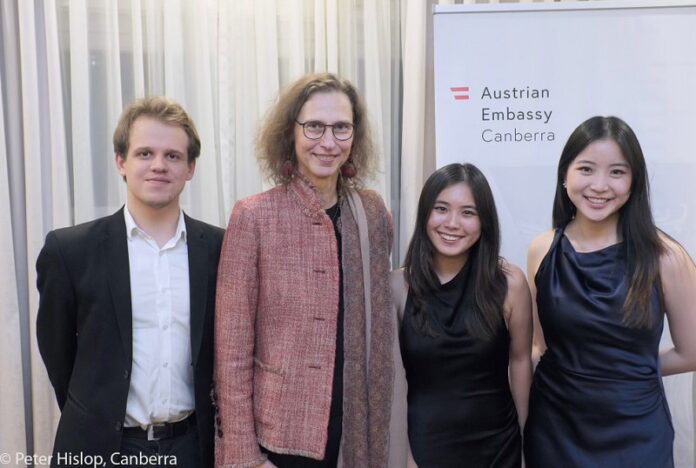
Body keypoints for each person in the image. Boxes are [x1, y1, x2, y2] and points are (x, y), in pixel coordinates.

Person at [213, 72, 394, 467]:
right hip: (280, 437)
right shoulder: (254, 217)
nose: (328, 142)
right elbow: (231, 352)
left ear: (354, 135)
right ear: (290, 132)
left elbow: (381, 320)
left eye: (341, 128)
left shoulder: (373, 213)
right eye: (314, 126)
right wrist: (245, 455)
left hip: (357, 432)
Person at [36, 96, 224, 467]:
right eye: (144, 153)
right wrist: (95, 413)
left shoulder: (221, 248)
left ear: (191, 168)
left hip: (192, 449)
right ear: (121, 162)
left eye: (172, 156)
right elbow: (59, 357)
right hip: (99, 447)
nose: (158, 165)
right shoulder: (70, 250)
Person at [524, 116, 696, 467]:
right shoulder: (542, 250)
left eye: (617, 172)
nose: (600, 185)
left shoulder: (666, 257)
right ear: (565, 175)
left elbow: (692, 352)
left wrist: (628, 370)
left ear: (633, 182)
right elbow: (540, 346)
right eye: (586, 169)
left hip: (636, 432)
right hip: (555, 429)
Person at [391, 163, 533, 468]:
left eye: (468, 212)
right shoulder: (397, 287)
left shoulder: (510, 283)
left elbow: (520, 360)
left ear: (484, 222)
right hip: (424, 448)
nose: (453, 223)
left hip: (498, 447)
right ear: (425, 214)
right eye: (441, 209)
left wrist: (524, 442)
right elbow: (391, 381)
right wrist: (404, 455)